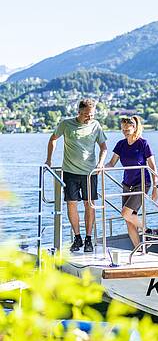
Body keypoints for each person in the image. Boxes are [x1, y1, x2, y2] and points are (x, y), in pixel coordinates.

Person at [45, 98, 107, 253]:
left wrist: (100, 163)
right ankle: (77, 237)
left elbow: (104, 147)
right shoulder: (66, 124)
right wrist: (49, 160)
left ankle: (88, 239)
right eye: (86, 114)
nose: (89, 117)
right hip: (70, 172)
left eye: (91, 114)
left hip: (89, 173)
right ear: (79, 112)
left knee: (89, 205)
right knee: (71, 204)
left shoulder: (95, 125)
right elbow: (53, 139)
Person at [106, 116, 158, 247]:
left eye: (127, 130)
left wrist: (155, 186)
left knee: (125, 213)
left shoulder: (143, 143)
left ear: (134, 128)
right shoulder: (121, 144)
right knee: (128, 220)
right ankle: (139, 250)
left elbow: (152, 165)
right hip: (127, 184)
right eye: (123, 129)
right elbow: (112, 163)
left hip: (141, 183)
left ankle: (148, 231)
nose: (124, 132)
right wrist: (100, 168)